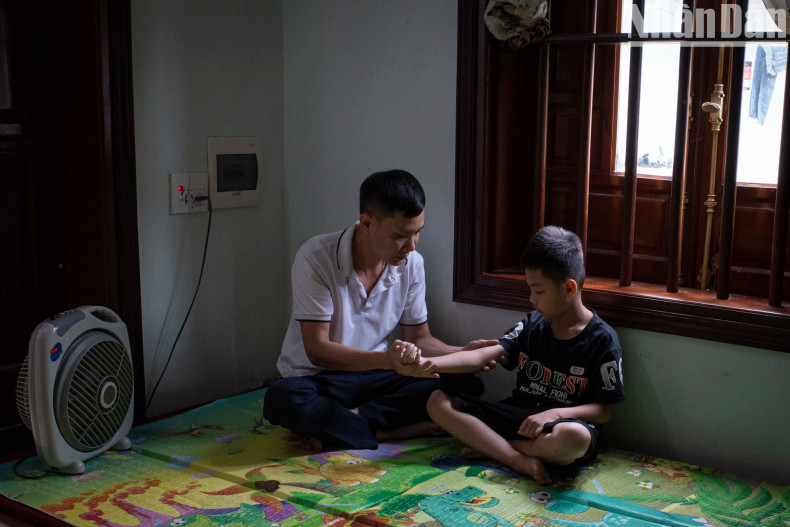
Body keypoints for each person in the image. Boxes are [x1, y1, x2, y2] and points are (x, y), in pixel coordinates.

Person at [263, 169, 497, 451]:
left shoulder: (412, 263)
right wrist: (388, 360)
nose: (410, 246)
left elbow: (419, 339)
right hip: (321, 379)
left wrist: (462, 354)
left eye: (417, 233)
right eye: (400, 236)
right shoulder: (316, 257)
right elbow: (318, 351)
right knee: (282, 398)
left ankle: (352, 423)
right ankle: (392, 431)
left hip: (377, 376)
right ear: (366, 223)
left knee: (468, 379)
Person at [396, 225, 625, 485]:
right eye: (530, 289)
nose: (531, 299)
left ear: (569, 288)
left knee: (575, 439)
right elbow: (482, 356)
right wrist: (429, 363)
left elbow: (604, 410)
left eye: (539, 291)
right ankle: (517, 458)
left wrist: (554, 414)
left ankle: (493, 448)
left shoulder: (602, 339)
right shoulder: (532, 324)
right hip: (518, 415)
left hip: (560, 426)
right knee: (437, 400)